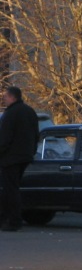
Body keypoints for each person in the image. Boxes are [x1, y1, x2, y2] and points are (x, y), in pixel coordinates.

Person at [0, 86, 40, 231]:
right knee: (12, 188)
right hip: (25, 156)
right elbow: (37, 135)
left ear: (12, 97)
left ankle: (13, 221)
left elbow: (5, 138)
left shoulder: (10, 114)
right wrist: (31, 151)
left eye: (5, 96)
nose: (4, 99)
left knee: (10, 190)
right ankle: (8, 218)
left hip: (10, 157)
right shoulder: (30, 111)